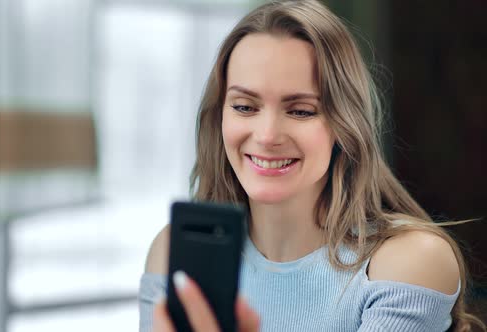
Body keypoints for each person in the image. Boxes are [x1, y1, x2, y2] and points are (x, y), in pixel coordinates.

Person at [139, 1, 486, 331]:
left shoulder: (408, 262)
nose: (268, 135)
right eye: (245, 107)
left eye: (301, 110)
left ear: (343, 125)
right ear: (219, 119)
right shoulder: (171, 253)